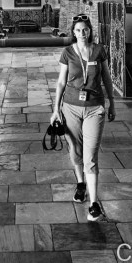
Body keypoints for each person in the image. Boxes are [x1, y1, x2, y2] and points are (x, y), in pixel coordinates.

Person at [50, 13, 115, 221]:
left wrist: (112, 102)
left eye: (85, 30)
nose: (81, 34)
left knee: (91, 156)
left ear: (90, 30)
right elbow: (61, 82)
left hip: (95, 108)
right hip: (70, 107)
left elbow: (106, 78)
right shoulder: (68, 52)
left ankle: (94, 204)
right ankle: (80, 183)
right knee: (75, 152)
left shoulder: (99, 51)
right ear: (73, 32)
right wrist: (55, 109)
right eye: (77, 30)